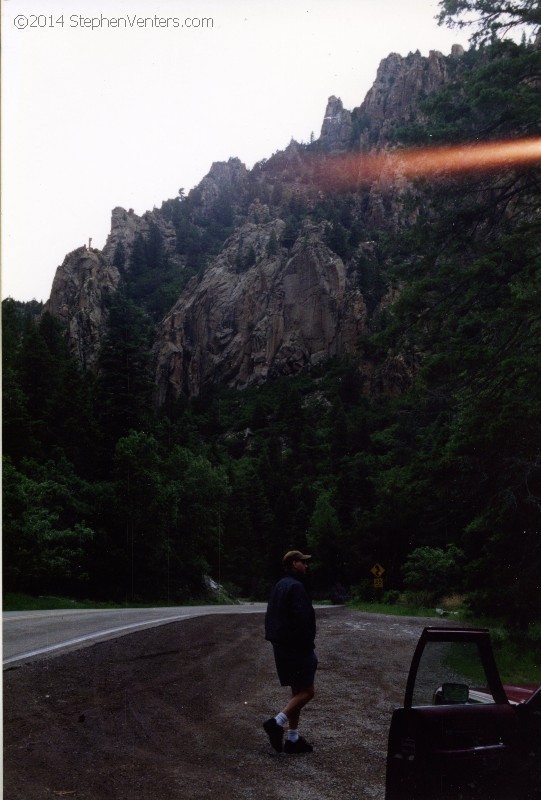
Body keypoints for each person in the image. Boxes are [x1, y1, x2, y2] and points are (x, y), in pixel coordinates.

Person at [263, 550, 317, 754]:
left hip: (282, 646)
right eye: (303, 562)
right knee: (308, 692)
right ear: (294, 563)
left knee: (297, 691)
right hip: (297, 647)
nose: (306, 565)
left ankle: (293, 739)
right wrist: (308, 643)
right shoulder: (296, 586)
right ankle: (276, 723)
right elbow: (301, 621)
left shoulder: (279, 585)